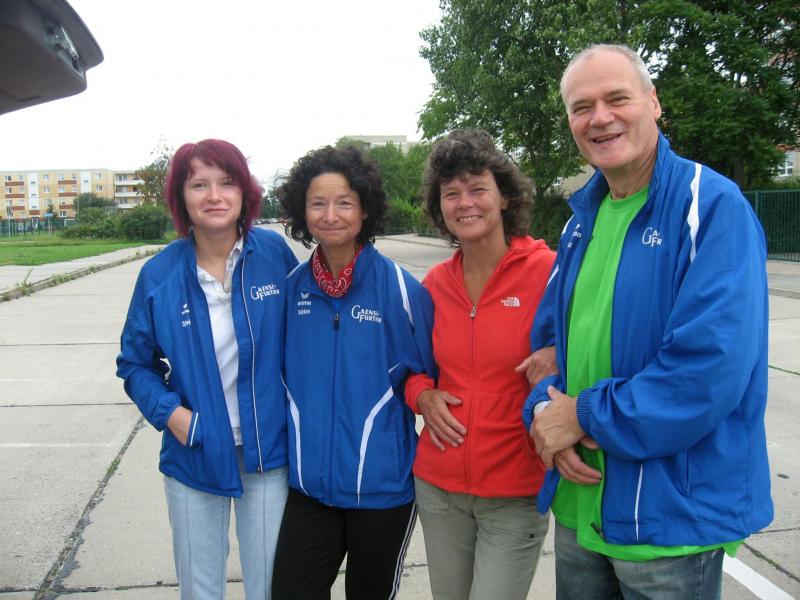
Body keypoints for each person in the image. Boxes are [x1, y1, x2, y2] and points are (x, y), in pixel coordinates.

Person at [523, 44, 774, 599]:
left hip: (668, 524)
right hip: (581, 510)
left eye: (617, 98)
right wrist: (544, 413)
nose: (600, 118)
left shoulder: (711, 207)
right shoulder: (579, 223)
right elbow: (544, 350)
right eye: (581, 107)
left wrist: (579, 415)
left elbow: (706, 373)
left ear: (653, 103)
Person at [116, 139, 298, 600]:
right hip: (194, 451)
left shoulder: (274, 255)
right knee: (200, 590)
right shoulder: (159, 275)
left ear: (244, 193)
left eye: (226, 182)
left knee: (271, 586)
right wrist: (172, 415)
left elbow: (308, 335)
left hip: (268, 453)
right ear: (182, 197)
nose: (214, 196)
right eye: (199, 185)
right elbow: (135, 363)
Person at [271, 145, 436, 600]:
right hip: (309, 490)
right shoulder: (291, 291)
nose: (330, 215)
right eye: (317, 203)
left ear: (365, 210)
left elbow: (430, 374)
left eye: (344, 202)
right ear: (302, 212)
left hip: (382, 492)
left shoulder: (401, 290)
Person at [405, 129, 556, 600]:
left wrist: (561, 357)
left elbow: (592, 351)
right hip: (439, 487)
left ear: (505, 197)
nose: (465, 203)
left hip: (515, 491)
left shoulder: (548, 272)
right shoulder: (434, 284)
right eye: (451, 193)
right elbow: (411, 367)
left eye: (477, 188)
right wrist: (422, 395)